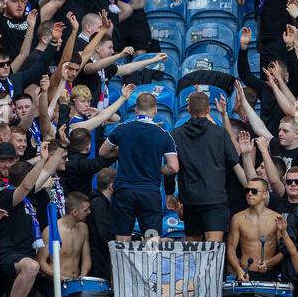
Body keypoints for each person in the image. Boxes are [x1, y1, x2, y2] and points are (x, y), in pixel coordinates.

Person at [99, 91, 180, 240]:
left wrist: (123, 151)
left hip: (124, 192)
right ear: (155, 110)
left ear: (136, 109)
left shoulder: (121, 129)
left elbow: (103, 152)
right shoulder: (164, 135)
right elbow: (174, 167)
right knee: (152, 239)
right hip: (149, 193)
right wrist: (160, 170)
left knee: (122, 240)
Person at [172, 92, 239, 243]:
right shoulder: (219, 133)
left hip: (190, 199)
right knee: (213, 248)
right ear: (208, 110)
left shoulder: (177, 134)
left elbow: (171, 166)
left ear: (188, 110)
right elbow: (233, 159)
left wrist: (170, 192)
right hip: (215, 197)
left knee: (192, 247)